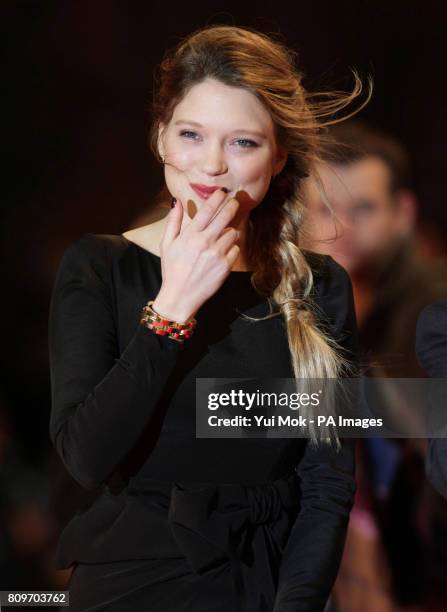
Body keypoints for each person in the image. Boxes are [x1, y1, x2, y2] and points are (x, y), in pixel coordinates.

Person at [48, 25, 365, 612]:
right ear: (161, 137)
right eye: (191, 134)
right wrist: (172, 307)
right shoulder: (100, 267)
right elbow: (87, 458)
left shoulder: (319, 286)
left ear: (279, 157)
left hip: (267, 586)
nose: (213, 164)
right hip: (129, 586)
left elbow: (327, 483)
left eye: (243, 142)